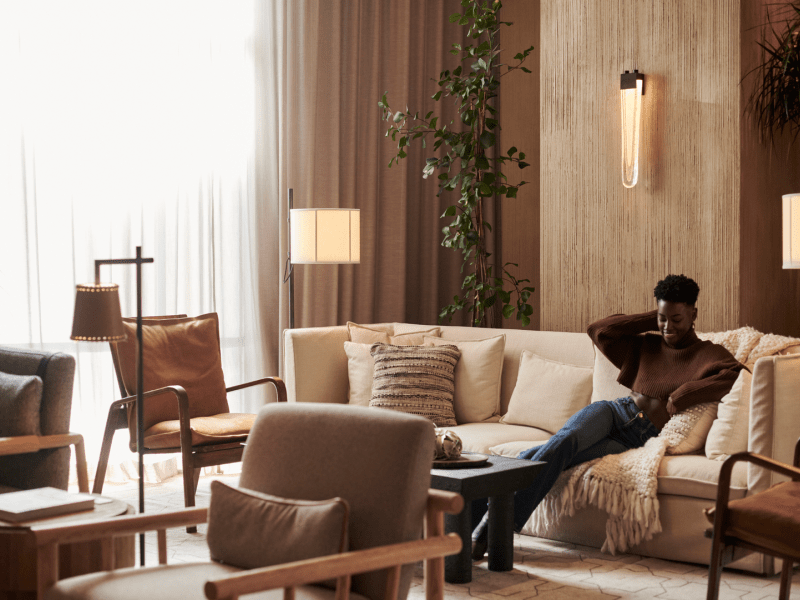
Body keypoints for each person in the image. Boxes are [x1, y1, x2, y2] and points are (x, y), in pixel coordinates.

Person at [471, 274, 744, 559]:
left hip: (637, 438)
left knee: (549, 455)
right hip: (613, 411)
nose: (668, 327)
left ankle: (474, 510)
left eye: (676, 319)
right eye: (663, 318)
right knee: (565, 442)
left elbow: (736, 375)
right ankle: (493, 527)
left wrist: (686, 393)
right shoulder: (646, 344)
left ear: (693, 314)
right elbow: (599, 331)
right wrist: (652, 318)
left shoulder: (708, 353)